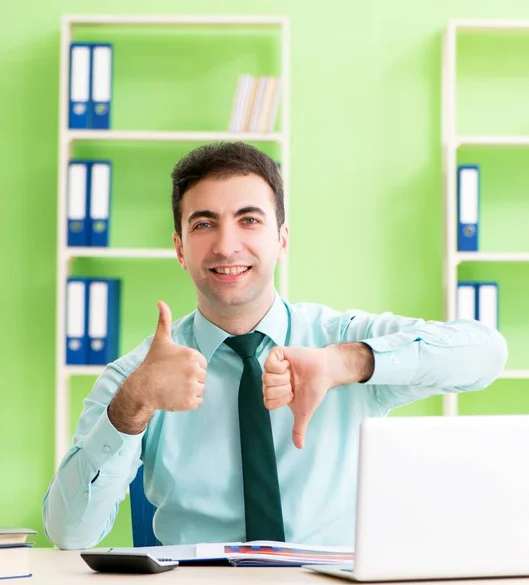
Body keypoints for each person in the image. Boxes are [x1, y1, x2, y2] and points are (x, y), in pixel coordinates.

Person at [43, 142, 508, 550]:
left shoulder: (338, 339)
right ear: (180, 248)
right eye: (204, 224)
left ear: (282, 240)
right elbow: (69, 534)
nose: (227, 246)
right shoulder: (138, 376)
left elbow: (487, 353)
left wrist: (347, 362)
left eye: (249, 220)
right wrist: (132, 406)